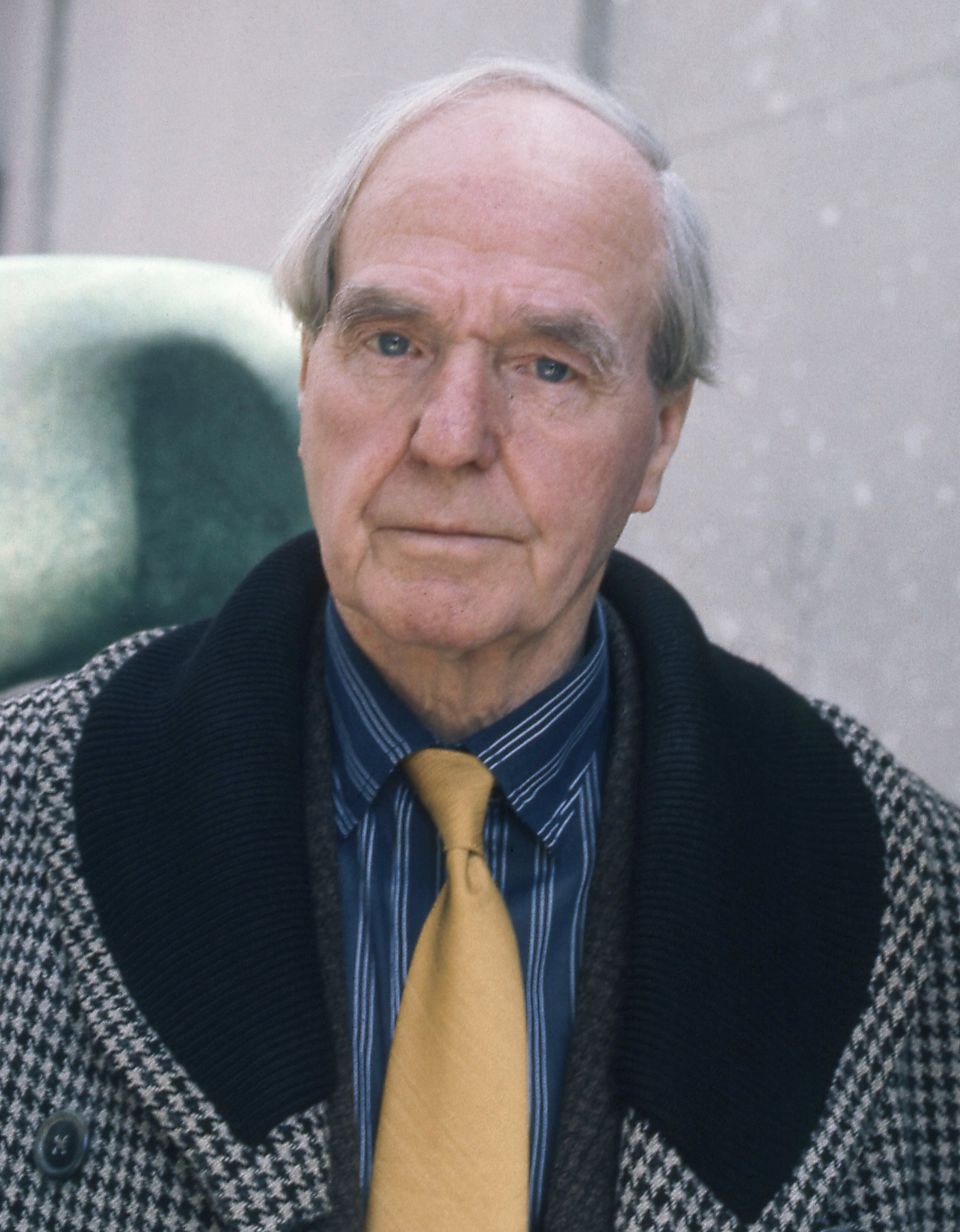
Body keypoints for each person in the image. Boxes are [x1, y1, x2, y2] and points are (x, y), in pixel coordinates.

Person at [1, 58, 957, 1232]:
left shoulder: (910, 897)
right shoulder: (19, 804)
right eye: (393, 340)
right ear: (310, 374)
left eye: (548, 365)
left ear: (658, 440)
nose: (450, 435)